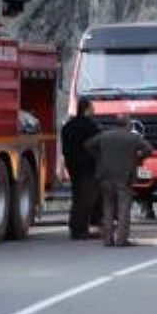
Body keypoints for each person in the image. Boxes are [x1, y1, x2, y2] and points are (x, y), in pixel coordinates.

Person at [85, 114, 154, 247]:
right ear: (128, 125)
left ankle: (107, 239)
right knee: (123, 208)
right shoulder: (133, 138)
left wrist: (99, 158)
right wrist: (137, 159)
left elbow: (88, 145)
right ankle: (121, 239)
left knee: (108, 207)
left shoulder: (105, 136)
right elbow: (149, 149)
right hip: (124, 176)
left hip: (105, 175)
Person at [61, 98, 102, 240]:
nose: (94, 110)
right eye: (92, 107)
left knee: (77, 196)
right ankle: (81, 230)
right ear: (86, 109)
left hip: (72, 166)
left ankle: (74, 227)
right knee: (87, 199)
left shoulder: (68, 126)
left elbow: (65, 149)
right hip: (87, 167)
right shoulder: (90, 126)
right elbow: (97, 145)